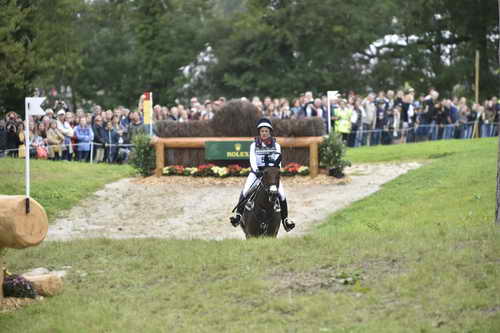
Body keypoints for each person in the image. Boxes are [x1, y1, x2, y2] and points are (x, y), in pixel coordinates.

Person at [230, 118, 295, 232]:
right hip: (257, 173)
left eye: (266, 131)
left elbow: (278, 162)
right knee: (245, 191)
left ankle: (285, 220)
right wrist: (257, 171)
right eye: (262, 131)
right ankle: (238, 216)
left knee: (282, 195)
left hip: (271, 175)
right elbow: (252, 160)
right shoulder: (253, 145)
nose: (264, 133)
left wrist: (272, 171)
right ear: (259, 132)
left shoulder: (277, 146)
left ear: (270, 132)